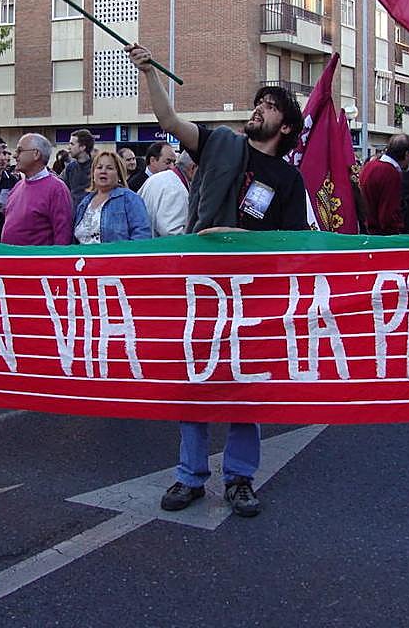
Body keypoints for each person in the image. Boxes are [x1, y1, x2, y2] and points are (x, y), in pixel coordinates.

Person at [128, 42, 309, 519]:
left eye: (269, 107)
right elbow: (169, 123)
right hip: (201, 287)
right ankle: (189, 476)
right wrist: (149, 72)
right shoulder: (221, 144)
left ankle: (240, 478)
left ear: (285, 127)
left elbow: (291, 243)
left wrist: (234, 234)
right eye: (258, 102)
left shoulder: (290, 182)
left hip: (252, 296)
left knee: (246, 388)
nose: (258, 109)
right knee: (194, 382)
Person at [1, 134, 73, 246]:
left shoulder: (57, 189)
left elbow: (63, 235)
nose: (14, 156)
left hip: (37, 261)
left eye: (19, 151)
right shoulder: (17, 186)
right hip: (11, 259)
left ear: (36, 154)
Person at [74, 150, 152, 243]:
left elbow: (142, 235)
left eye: (109, 168)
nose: (103, 171)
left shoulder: (130, 199)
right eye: (99, 167)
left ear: (119, 174)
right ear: (93, 174)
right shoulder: (85, 202)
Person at [358, 134, 409, 235]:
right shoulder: (390, 172)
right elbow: (388, 212)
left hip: (366, 228)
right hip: (379, 233)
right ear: (407, 154)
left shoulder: (370, 165)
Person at [138, 151, 195, 237]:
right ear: (193, 168)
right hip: (161, 247)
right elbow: (172, 232)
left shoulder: (157, 177)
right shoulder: (176, 189)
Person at [60, 129, 95, 205]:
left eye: (72, 144)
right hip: (73, 214)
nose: (69, 147)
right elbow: (59, 186)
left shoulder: (96, 167)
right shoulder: (70, 168)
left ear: (82, 147)